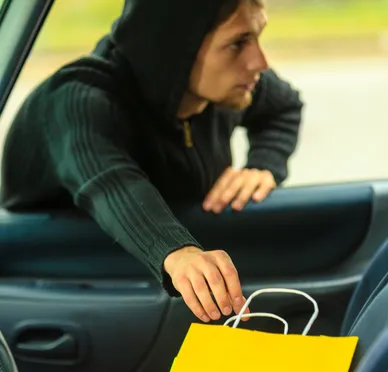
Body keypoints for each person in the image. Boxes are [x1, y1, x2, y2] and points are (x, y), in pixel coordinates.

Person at [1, 0, 303, 323]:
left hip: (150, 289)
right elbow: (111, 181)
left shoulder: (223, 88)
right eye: (238, 43)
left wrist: (263, 164)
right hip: (66, 293)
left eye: (258, 37)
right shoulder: (77, 101)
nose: (260, 61)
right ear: (175, 47)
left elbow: (283, 108)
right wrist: (179, 252)